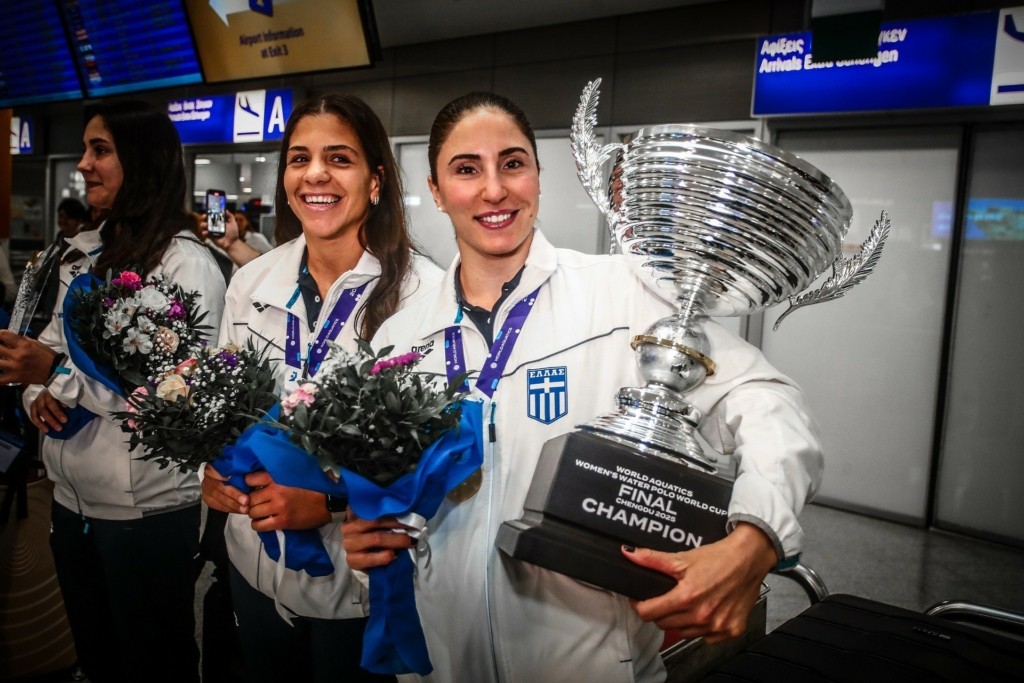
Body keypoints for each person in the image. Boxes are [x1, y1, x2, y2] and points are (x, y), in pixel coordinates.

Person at [341, 92, 824, 683]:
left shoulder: (623, 294)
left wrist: (756, 539)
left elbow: (769, 402)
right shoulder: (401, 337)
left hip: (594, 663)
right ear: (437, 191)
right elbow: (388, 497)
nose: (494, 189)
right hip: (441, 660)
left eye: (512, 163)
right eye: (467, 169)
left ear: (538, 176)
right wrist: (368, 543)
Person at [201, 93, 442, 683]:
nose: (314, 174)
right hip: (253, 567)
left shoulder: (426, 296)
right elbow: (224, 403)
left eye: (338, 158)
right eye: (299, 158)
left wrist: (329, 504)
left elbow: (433, 462)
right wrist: (212, 471)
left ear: (375, 180)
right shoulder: (252, 281)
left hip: (358, 593)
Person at [0, 101, 226, 683]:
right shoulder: (82, 253)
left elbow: (177, 400)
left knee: (154, 663)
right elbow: (47, 347)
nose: (83, 164)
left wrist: (55, 374)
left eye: (100, 150)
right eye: (85, 149)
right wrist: (36, 393)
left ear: (143, 160)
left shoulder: (186, 265)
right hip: (72, 501)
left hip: (145, 509)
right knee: (97, 658)